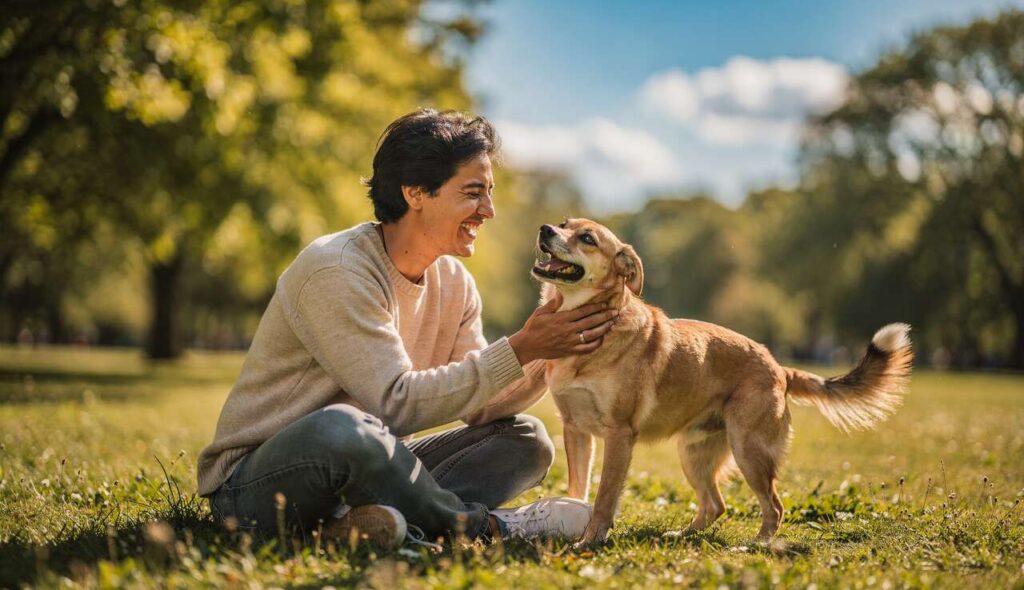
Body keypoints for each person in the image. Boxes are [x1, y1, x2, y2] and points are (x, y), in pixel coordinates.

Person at [197, 109, 619, 548]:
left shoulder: (454, 283)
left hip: (368, 463)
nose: (489, 211)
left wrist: (549, 349)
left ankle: (353, 526)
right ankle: (486, 528)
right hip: (256, 486)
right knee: (343, 427)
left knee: (526, 440)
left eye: (489, 193)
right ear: (416, 193)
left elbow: (479, 406)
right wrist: (522, 347)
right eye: (473, 193)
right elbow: (394, 403)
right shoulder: (337, 269)